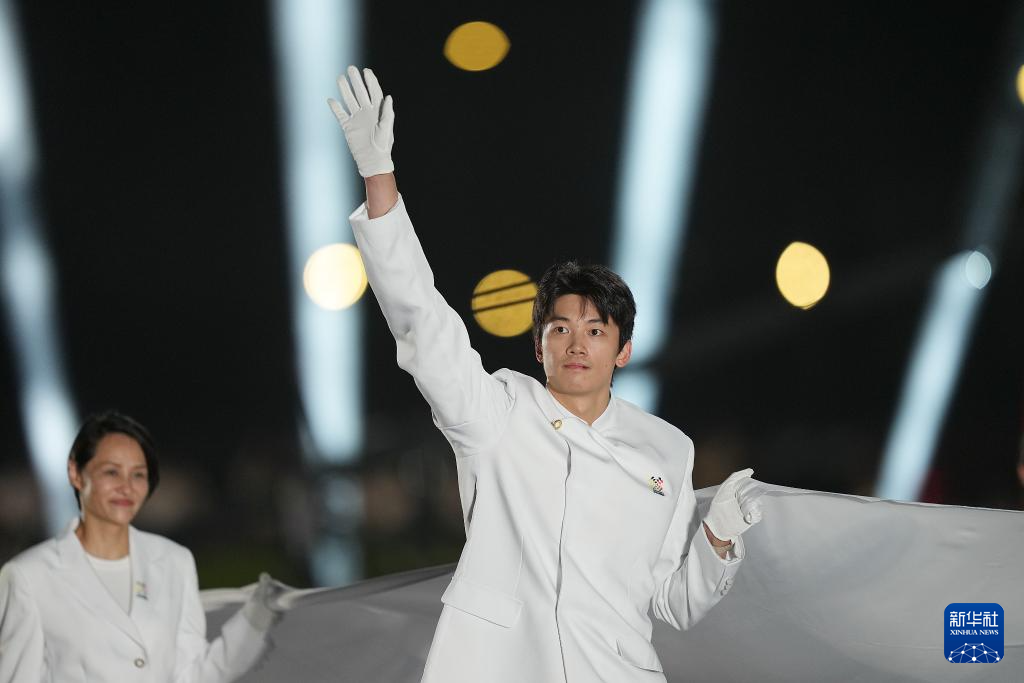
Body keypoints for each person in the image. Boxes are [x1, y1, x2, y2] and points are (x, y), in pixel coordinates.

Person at [329, 66, 765, 683]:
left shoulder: (668, 449)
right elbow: (423, 322)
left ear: (623, 351)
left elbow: (673, 603)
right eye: (561, 329)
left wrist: (717, 540)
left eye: (596, 331)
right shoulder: (498, 414)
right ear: (539, 347)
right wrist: (379, 175)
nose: (577, 344)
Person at [0, 410, 284, 682]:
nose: (126, 487)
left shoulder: (175, 562)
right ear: (76, 473)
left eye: (138, 474)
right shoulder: (28, 576)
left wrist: (253, 623)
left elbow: (193, 674)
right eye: (111, 472)